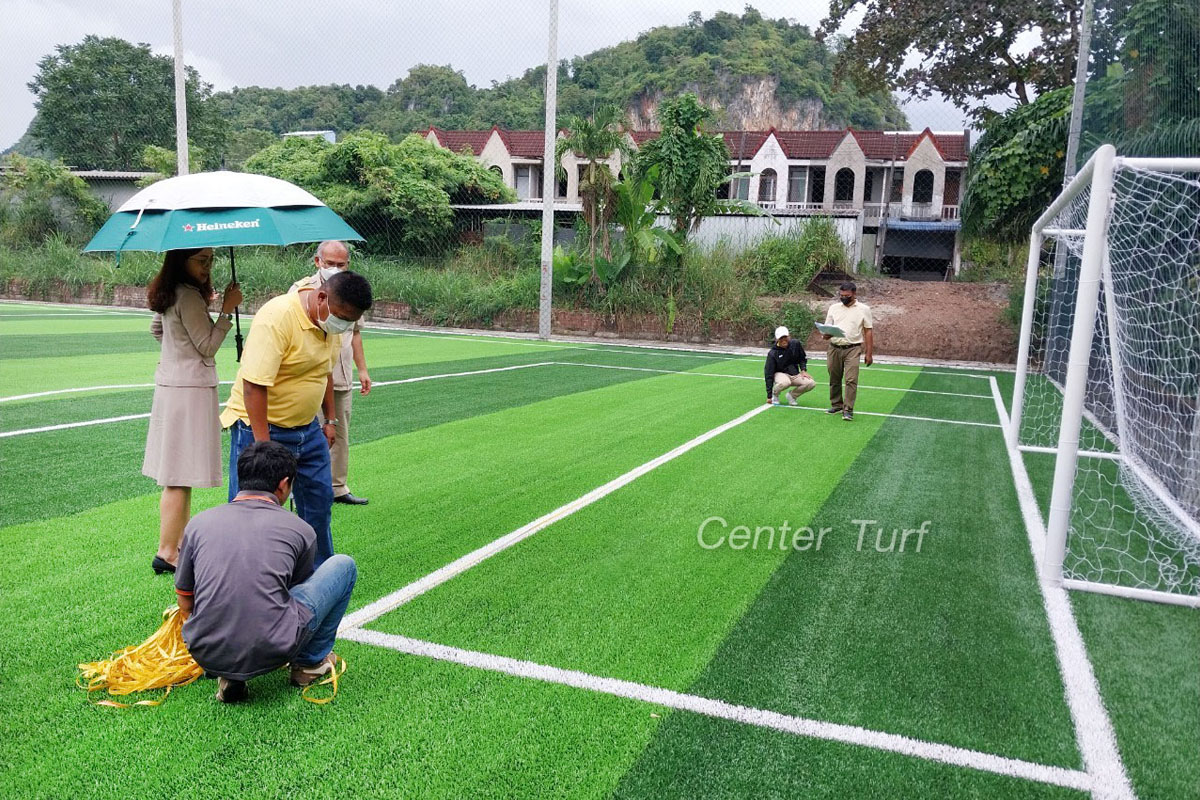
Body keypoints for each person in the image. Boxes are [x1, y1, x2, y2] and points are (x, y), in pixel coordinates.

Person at [174, 440, 357, 703]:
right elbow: (294, 592)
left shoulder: (198, 523)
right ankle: (309, 664)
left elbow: (185, 602)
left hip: (205, 652)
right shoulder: (300, 529)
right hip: (274, 646)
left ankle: (229, 673)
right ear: (284, 484)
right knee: (343, 565)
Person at [219, 269, 373, 568]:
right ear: (321, 297)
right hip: (261, 427)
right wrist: (263, 449)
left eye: (349, 321)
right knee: (251, 509)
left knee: (319, 502)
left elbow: (324, 373)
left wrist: (330, 420)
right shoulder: (277, 317)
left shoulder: (330, 324)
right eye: (341, 317)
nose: (343, 325)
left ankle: (317, 574)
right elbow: (253, 385)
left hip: (307, 428)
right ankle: (246, 576)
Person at [143, 247, 241, 574]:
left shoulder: (173, 292)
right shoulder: (187, 296)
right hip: (189, 391)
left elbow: (158, 330)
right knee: (177, 476)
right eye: (201, 260)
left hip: (174, 386)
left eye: (210, 260)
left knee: (178, 474)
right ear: (182, 260)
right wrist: (226, 312)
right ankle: (167, 551)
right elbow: (208, 346)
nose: (207, 266)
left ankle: (175, 548)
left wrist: (178, 353)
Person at [289, 241, 372, 506]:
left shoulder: (351, 289)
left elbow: (355, 332)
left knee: (340, 432)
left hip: (341, 372)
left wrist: (362, 369)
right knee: (308, 431)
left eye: (341, 264)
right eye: (330, 263)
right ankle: (298, 488)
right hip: (311, 374)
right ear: (318, 262)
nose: (335, 269)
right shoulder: (302, 289)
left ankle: (337, 487)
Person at [822, 281, 874, 421]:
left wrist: (869, 353)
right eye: (841, 295)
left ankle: (848, 409)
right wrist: (826, 334)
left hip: (853, 348)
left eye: (847, 296)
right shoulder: (833, 308)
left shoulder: (864, 309)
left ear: (854, 294)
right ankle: (836, 404)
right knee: (834, 377)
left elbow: (868, 331)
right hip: (834, 347)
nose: (843, 298)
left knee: (851, 379)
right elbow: (827, 327)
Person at [764, 325, 815, 406]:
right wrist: (769, 395)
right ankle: (775, 395)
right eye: (781, 338)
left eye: (785, 337)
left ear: (789, 336)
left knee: (811, 383)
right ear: (777, 339)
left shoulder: (796, 344)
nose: (784, 340)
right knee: (785, 382)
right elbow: (768, 373)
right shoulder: (773, 353)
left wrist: (803, 370)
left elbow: (802, 358)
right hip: (780, 374)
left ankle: (791, 396)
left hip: (794, 373)